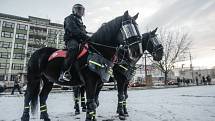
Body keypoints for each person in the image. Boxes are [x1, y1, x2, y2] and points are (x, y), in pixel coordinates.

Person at [59, 4, 90, 82]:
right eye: (78, 9)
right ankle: (64, 72)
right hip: (72, 39)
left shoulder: (81, 22)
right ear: (74, 10)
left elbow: (84, 32)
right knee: (74, 48)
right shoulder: (69, 18)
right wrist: (85, 37)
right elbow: (73, 29)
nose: (80, 11)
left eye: (82, 10)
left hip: (81, 40)